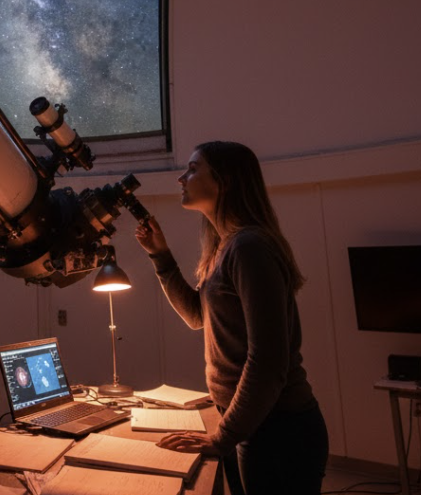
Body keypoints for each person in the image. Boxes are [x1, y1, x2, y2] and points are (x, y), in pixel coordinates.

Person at [134, 140, 328, 495]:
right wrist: (160, 256)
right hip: (252, 424)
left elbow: (268, 361)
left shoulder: (248, 247)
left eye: (193, 169)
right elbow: (197, 315)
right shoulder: (225, 247)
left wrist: (223, 437)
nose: (182, 177)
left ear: (224, 181)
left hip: (278, 431)